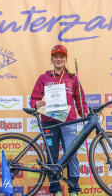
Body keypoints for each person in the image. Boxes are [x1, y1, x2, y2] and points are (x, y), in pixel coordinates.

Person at [30, 45, 88, 196]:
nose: (59, 59)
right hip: (49, 121)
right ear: (52, 59)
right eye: (56, 56)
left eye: (62, 56)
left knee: (72, 154)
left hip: (68, 122)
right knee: (52, 157)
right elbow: (34, 99)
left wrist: (84, 113)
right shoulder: (43, 78)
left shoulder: (72, 78)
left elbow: (80, 99)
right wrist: (36, 104)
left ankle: (74, 189)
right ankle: (55, 190)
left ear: (66, 59)